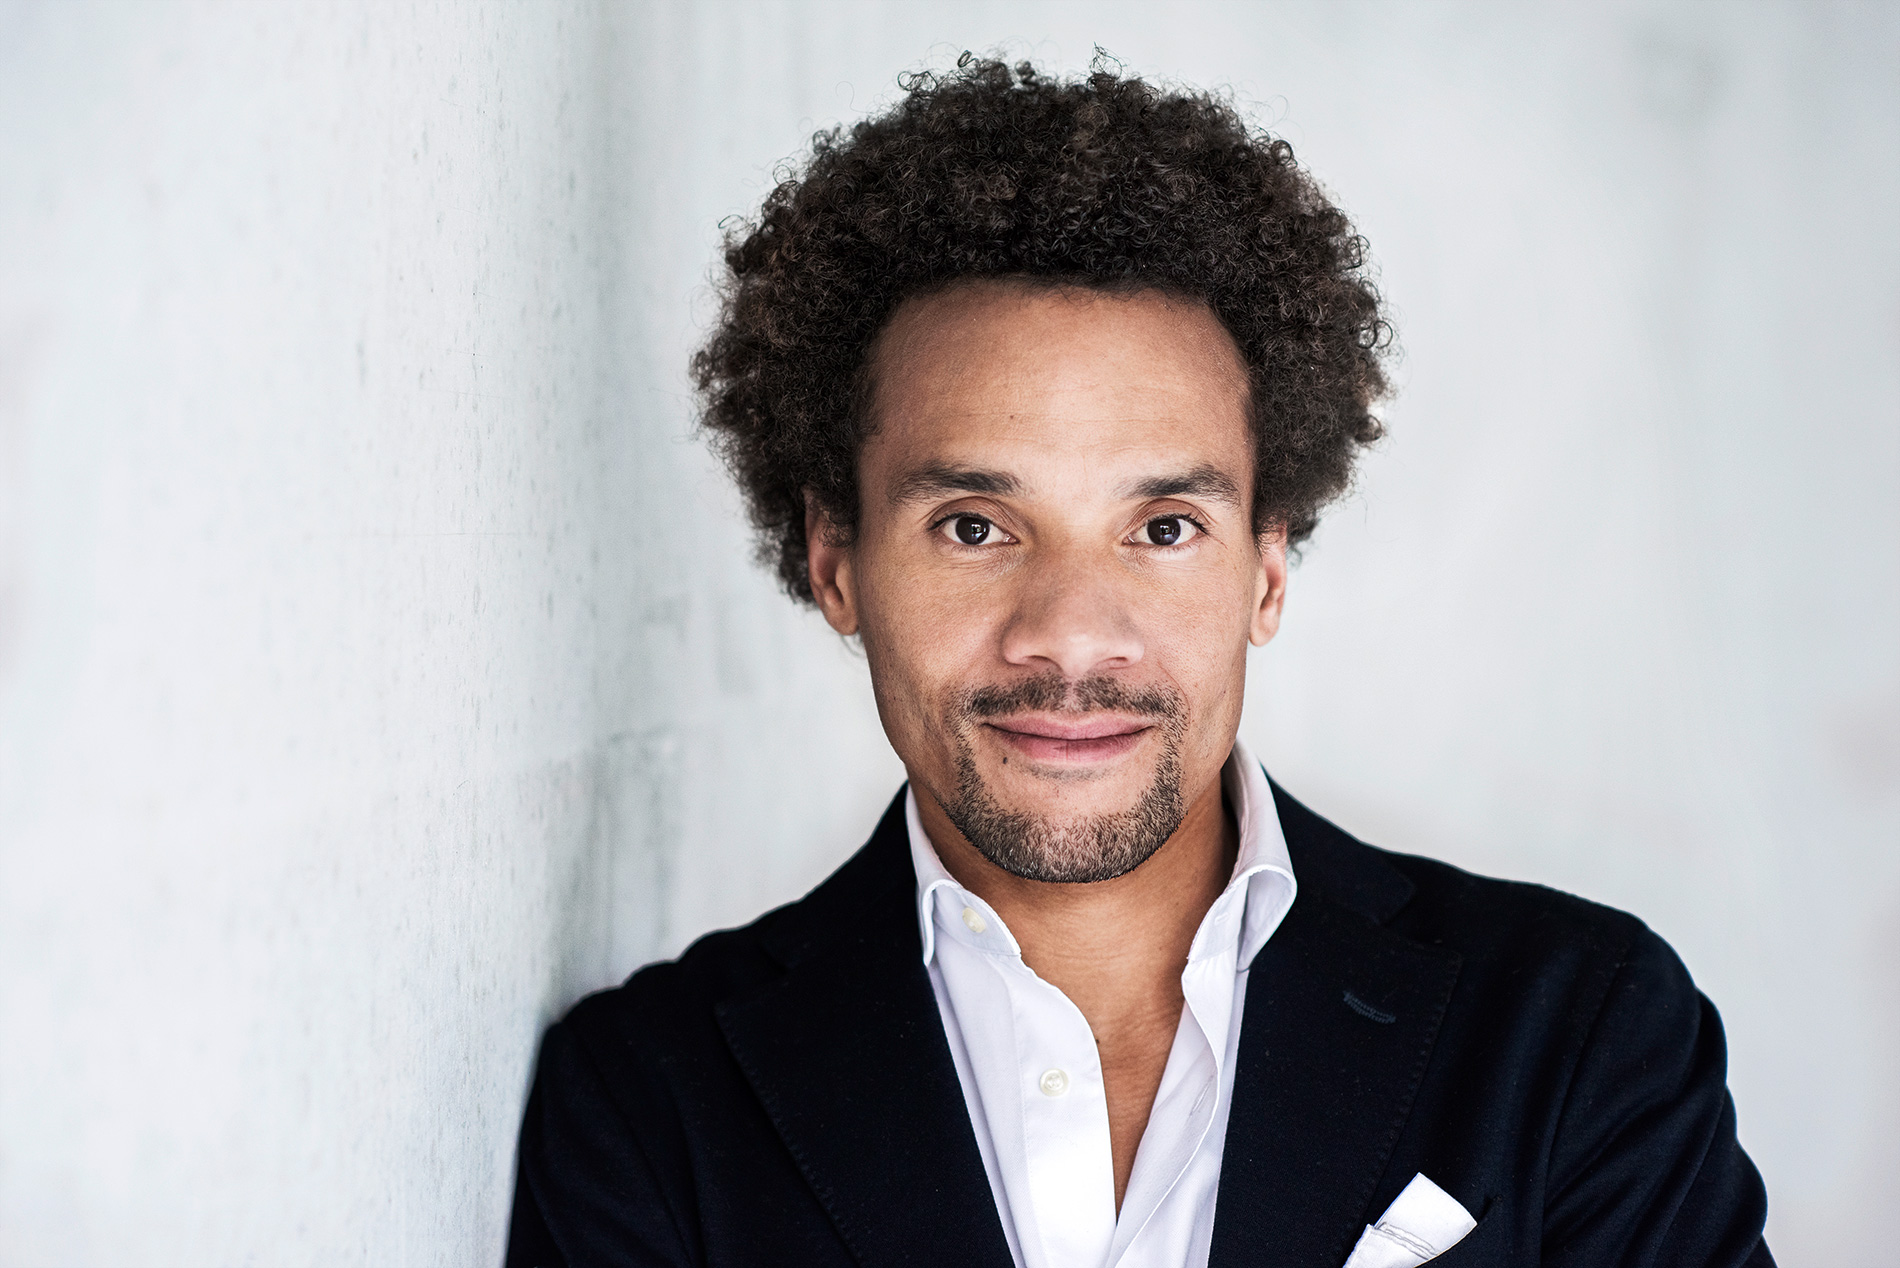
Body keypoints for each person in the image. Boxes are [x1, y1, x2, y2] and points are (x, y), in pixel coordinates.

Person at [504, 56, 1772, 1268]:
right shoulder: (649, 1105)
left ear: (1266, 569)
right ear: (834, 559)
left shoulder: (1573, 1031)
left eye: (1163, 528)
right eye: (974, 526)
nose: (1069, 633)